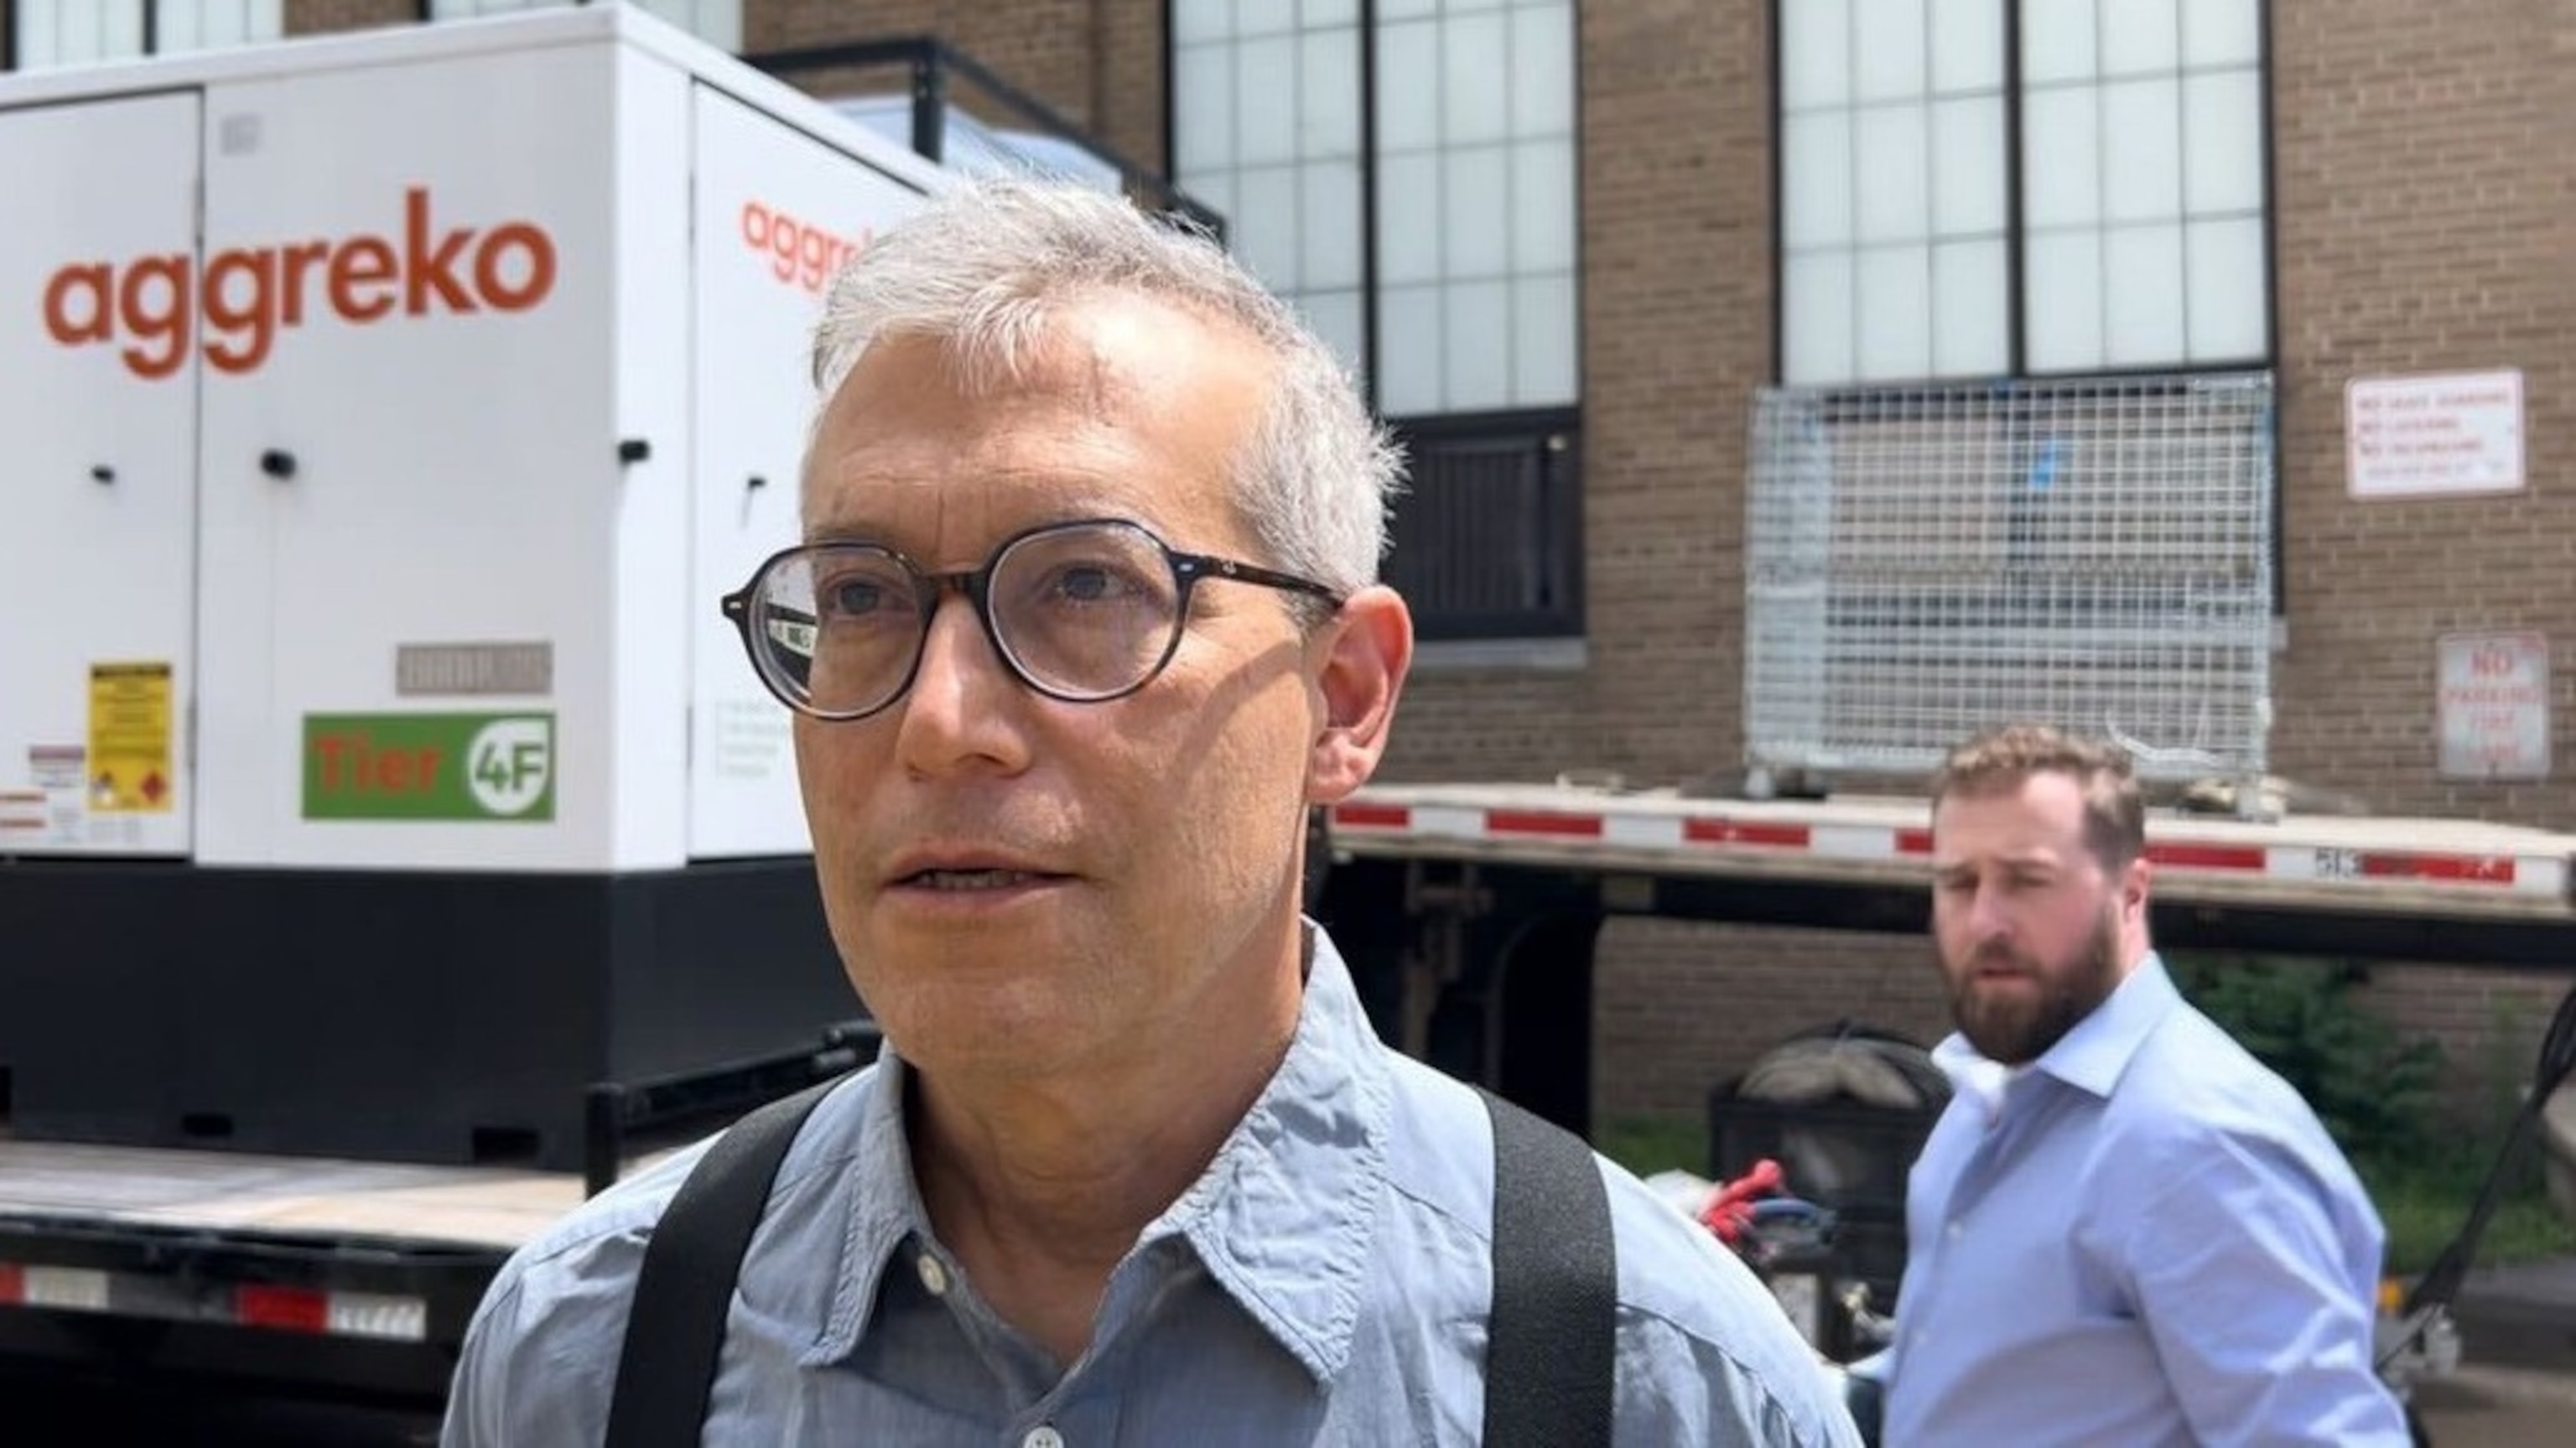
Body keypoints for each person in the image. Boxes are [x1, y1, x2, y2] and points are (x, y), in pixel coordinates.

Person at [440, 175, 1857, 1446]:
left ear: (1344, 698)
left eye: (1085, 585)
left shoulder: (1655, 1387)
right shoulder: (594, 1350)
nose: (941, 720)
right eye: (863, 597)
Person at [1879, 723, 2411, 1445]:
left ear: (2131, 893)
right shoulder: (1986, 1097)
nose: (1985, 920)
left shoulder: (2196, 1140)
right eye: (1958, 882)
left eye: (2026, 880)